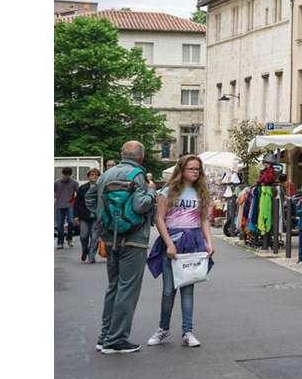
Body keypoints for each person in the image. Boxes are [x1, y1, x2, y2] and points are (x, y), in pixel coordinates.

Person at [85, 142, 155, 354]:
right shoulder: (138, 175)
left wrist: (103, 217)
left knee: (113, 287)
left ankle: (104, 336)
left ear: (121, 154)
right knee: (128, 289)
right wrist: (152, 193)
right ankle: (116, 340)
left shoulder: (107, 174)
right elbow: (140, 205)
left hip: (109, 238)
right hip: (134, 239)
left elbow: (90, 197)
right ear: (141, 157)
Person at [146, 154, 214, 348]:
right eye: (191, 168)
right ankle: (163, 328)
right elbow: (159, 219)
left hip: (193, 241)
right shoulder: (167, 192)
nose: (195, 172)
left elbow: (203, 220)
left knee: (188, 288)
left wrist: (209, 242)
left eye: (197, 169)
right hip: (173, 240)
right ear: (182, 170)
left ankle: (187, 331)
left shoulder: (201, 192)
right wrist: (169, 243)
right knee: (168, 290)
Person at [74, 168, 101, 263]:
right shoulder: (82, 188)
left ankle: (91, 256)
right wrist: (76, 216)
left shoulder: (101, 187)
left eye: (96, 175)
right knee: (83, 236)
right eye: (92, 175)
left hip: (96, 217)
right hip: (84, 216)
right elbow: (77, 203)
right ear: (88, 176)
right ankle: (85, 250)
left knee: (95, 237)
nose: (94, 176)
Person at [55, 167, 79, 249]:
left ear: (70, 174)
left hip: (70, 205)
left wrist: (74, 201)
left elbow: (78, 194)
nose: (66, 177)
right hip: (59, 206)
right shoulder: (56, 183)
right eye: (65, 175)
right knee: (59, 225)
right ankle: (60, 242)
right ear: (62, 174)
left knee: (71, 222)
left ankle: (69, 238)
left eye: (68, 175)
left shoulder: (74, 183)